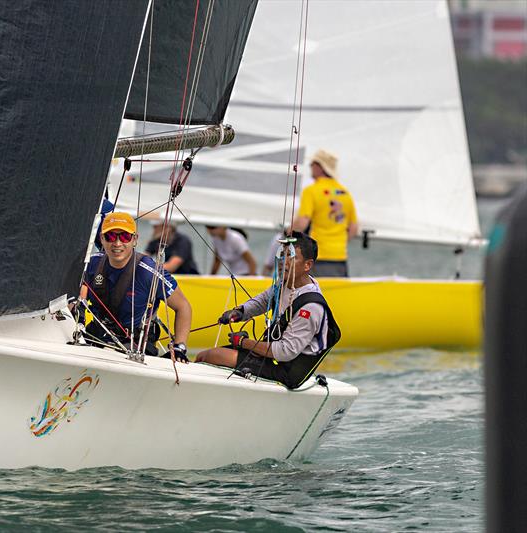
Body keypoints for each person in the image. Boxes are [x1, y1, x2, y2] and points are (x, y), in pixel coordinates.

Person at [196, 232, 340, 389]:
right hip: (272, 357)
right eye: (282, 255)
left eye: (291, 257)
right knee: (202, 355)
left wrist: (244, 343)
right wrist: (240, 312)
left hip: (288, 372)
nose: (284, 262)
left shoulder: (311, 307)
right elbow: (264, 300)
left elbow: (285, 352)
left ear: (307, 265)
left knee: (211, 356)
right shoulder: (284, 283)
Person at [80, 212, 192, 361]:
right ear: (102, 238)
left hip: (136, 344)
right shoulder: (91, 264)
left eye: (125, 236)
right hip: (97, 337)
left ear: (135, 240)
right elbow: (75, 296)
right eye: (111, 236)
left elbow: (183, 306)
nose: (117, 243)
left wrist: (179, 347)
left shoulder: (149, 272)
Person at [292, 149, 358, 277]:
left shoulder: (311, 191)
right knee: (336, 296)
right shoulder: (345, 192)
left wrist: (287, 234)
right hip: (340, 257)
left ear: (320, 167)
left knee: (314, 295)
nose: (310, 166)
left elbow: (302, 221)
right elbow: (353, 228)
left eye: (312, 163)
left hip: (318, 256)